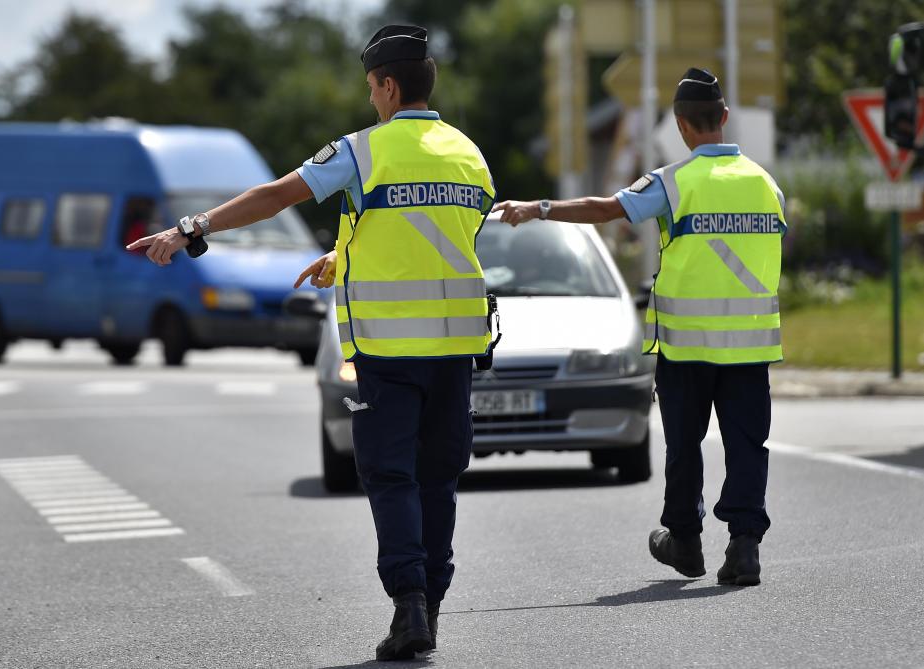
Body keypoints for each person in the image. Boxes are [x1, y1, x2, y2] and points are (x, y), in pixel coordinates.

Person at [128, 25, 496, 660]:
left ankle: (409, 606)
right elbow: (429, 237)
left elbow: (277, 196)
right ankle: (429, 606)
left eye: (371, 90)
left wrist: (193, 227)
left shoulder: (365, 150)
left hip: (387, 349)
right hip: (456, 347)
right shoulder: (469, 154)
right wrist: (344, 252)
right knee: (438, 481)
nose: (370, 102)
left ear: (387, 85)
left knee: (390, 476)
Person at [493, 68, 784, 587]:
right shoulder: (766, 184)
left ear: (680, 126)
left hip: (687, 345)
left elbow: (606, 209)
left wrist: (538, 208)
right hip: (749, 346)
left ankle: (685, 542)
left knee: (684, 444)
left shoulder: (673, 181)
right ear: (723, 117)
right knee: (746, 444)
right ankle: (744, 547)